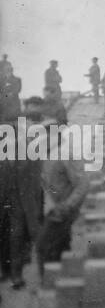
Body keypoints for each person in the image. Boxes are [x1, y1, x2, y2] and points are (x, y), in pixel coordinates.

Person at [38, 118, 89, 270]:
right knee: (60, 246)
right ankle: (62, 278)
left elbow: (82, 184)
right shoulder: (47, 154)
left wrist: (67, 206)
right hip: (52, 209)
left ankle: (48, 285)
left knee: (43, 247)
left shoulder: (67, 154)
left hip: (62, 211)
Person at [7, 105, 45, 289]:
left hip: (33, 197)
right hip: (16, 197)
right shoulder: (14, 143)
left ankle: (44, 275)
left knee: (36, 235)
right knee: (16, 236)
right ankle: (16, 275)